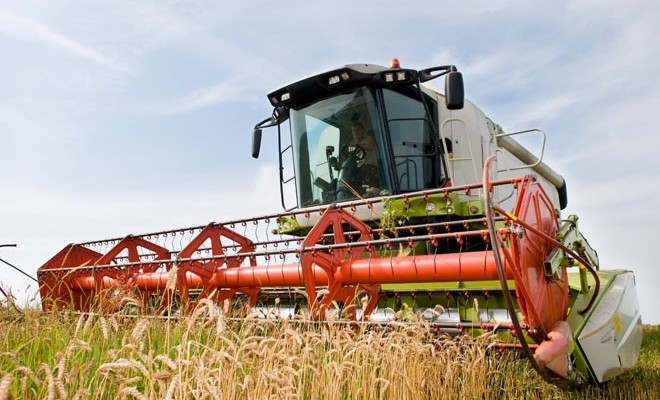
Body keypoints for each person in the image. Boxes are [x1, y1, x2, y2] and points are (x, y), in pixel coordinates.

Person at [349, 122, 380, 188]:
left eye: (357, 130)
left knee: (364, 169)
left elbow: (371, 146)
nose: (355, 133)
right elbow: (350, 160)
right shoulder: (351, 147)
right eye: (353, 131)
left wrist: (358, 145)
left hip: (371, 168)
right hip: (360, 171)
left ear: (362, 131)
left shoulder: (368, 138)